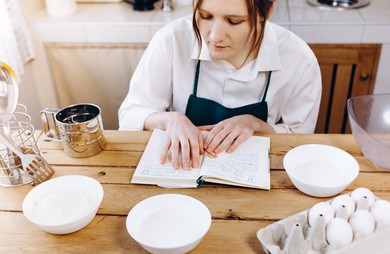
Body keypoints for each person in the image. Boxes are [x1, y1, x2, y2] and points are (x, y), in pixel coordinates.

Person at [118, 0, 322, 170]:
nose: (214, 36)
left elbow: (300, 140)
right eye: (205, 16)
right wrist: (169, 120)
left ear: (266, 12)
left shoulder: (299, 60)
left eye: (234, 21)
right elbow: (130, 115)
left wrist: (259, 125)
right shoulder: (172, 40)